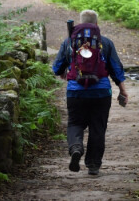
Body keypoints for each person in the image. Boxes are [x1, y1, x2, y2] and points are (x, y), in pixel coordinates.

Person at [52, 9, 128, 176]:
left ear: (80, 23)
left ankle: (76, 148)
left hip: (75, 92)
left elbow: (57, 67)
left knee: (75, 123)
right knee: (97, 128)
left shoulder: (69, 42)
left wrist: (64, 71)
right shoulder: (106, 42)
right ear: (96, 24)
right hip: (101, 93)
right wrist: (122, 90)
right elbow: (116, 68)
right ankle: (93, 165)